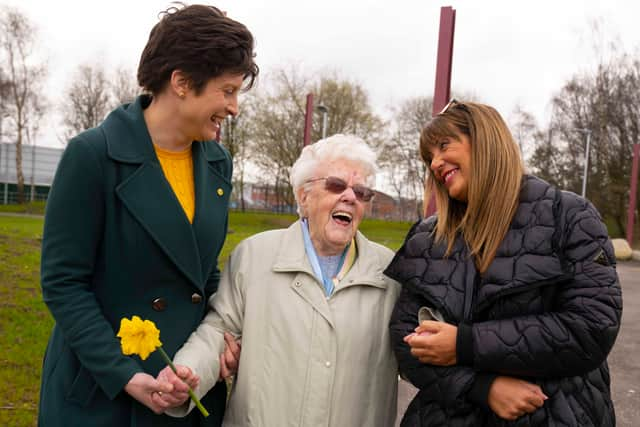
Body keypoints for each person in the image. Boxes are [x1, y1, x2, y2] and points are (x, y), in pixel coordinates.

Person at [38, 5, 258, 427]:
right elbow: (63, 283)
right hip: (103, 395)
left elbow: (199, 272)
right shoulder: (92, 155)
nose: (234, 108)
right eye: (227, 91)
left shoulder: (217, 162)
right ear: (181, 82)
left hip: (187, 386)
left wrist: (223, 341)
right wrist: (126, 375)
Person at [385, 100, 622, 426]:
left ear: (485, 140)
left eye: (443, 146)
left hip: (555, 413)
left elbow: (591, 327)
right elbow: (406, 338)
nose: (435, 163)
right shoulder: (427, 237)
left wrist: (464, 344)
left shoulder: (567, 215)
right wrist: (481, 387)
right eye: (429, 158)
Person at [157, 134, 401, 426]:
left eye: (361, 192)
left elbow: (420, 357)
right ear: (303, 195)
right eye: (336, 185)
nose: (350, 197)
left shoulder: (391, 273)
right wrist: (186, 373)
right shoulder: (255, 255)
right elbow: (219, 332)